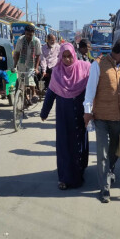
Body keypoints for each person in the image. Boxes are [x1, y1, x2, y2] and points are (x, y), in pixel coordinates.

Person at [83, 38, 120, 203]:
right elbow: (90, 90)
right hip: (101, 117)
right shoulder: (98, 64)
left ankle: (110, 169)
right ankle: (105, 189)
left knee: (116, 148)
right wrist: (87, 112)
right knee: (102, 152)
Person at [40, 43, 91, 190]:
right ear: (60, 57)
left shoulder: (85, 68)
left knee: (79, 143)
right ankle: (63, 178)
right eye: (65, 57)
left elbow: (93, 90)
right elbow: (50, 94)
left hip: (81, 114)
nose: (68, 60)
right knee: (64, 146)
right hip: (63, 115)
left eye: (70, 56)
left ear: (74, 55)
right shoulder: (56, 72)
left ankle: (79, 172)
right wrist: (44, 112)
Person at [13, 25, 42, 104]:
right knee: (22, 82)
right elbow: (17, 53)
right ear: (25, 33)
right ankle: (26, 97)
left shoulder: (36, 41)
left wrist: (36, 68)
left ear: (33, 34)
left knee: (30, 79)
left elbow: (38, 55)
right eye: (27, 34)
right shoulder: (20, 40)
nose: (29, 36)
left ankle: (34, 94)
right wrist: (14, 66)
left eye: (31, 35)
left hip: (31, 63)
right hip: (21, 63)